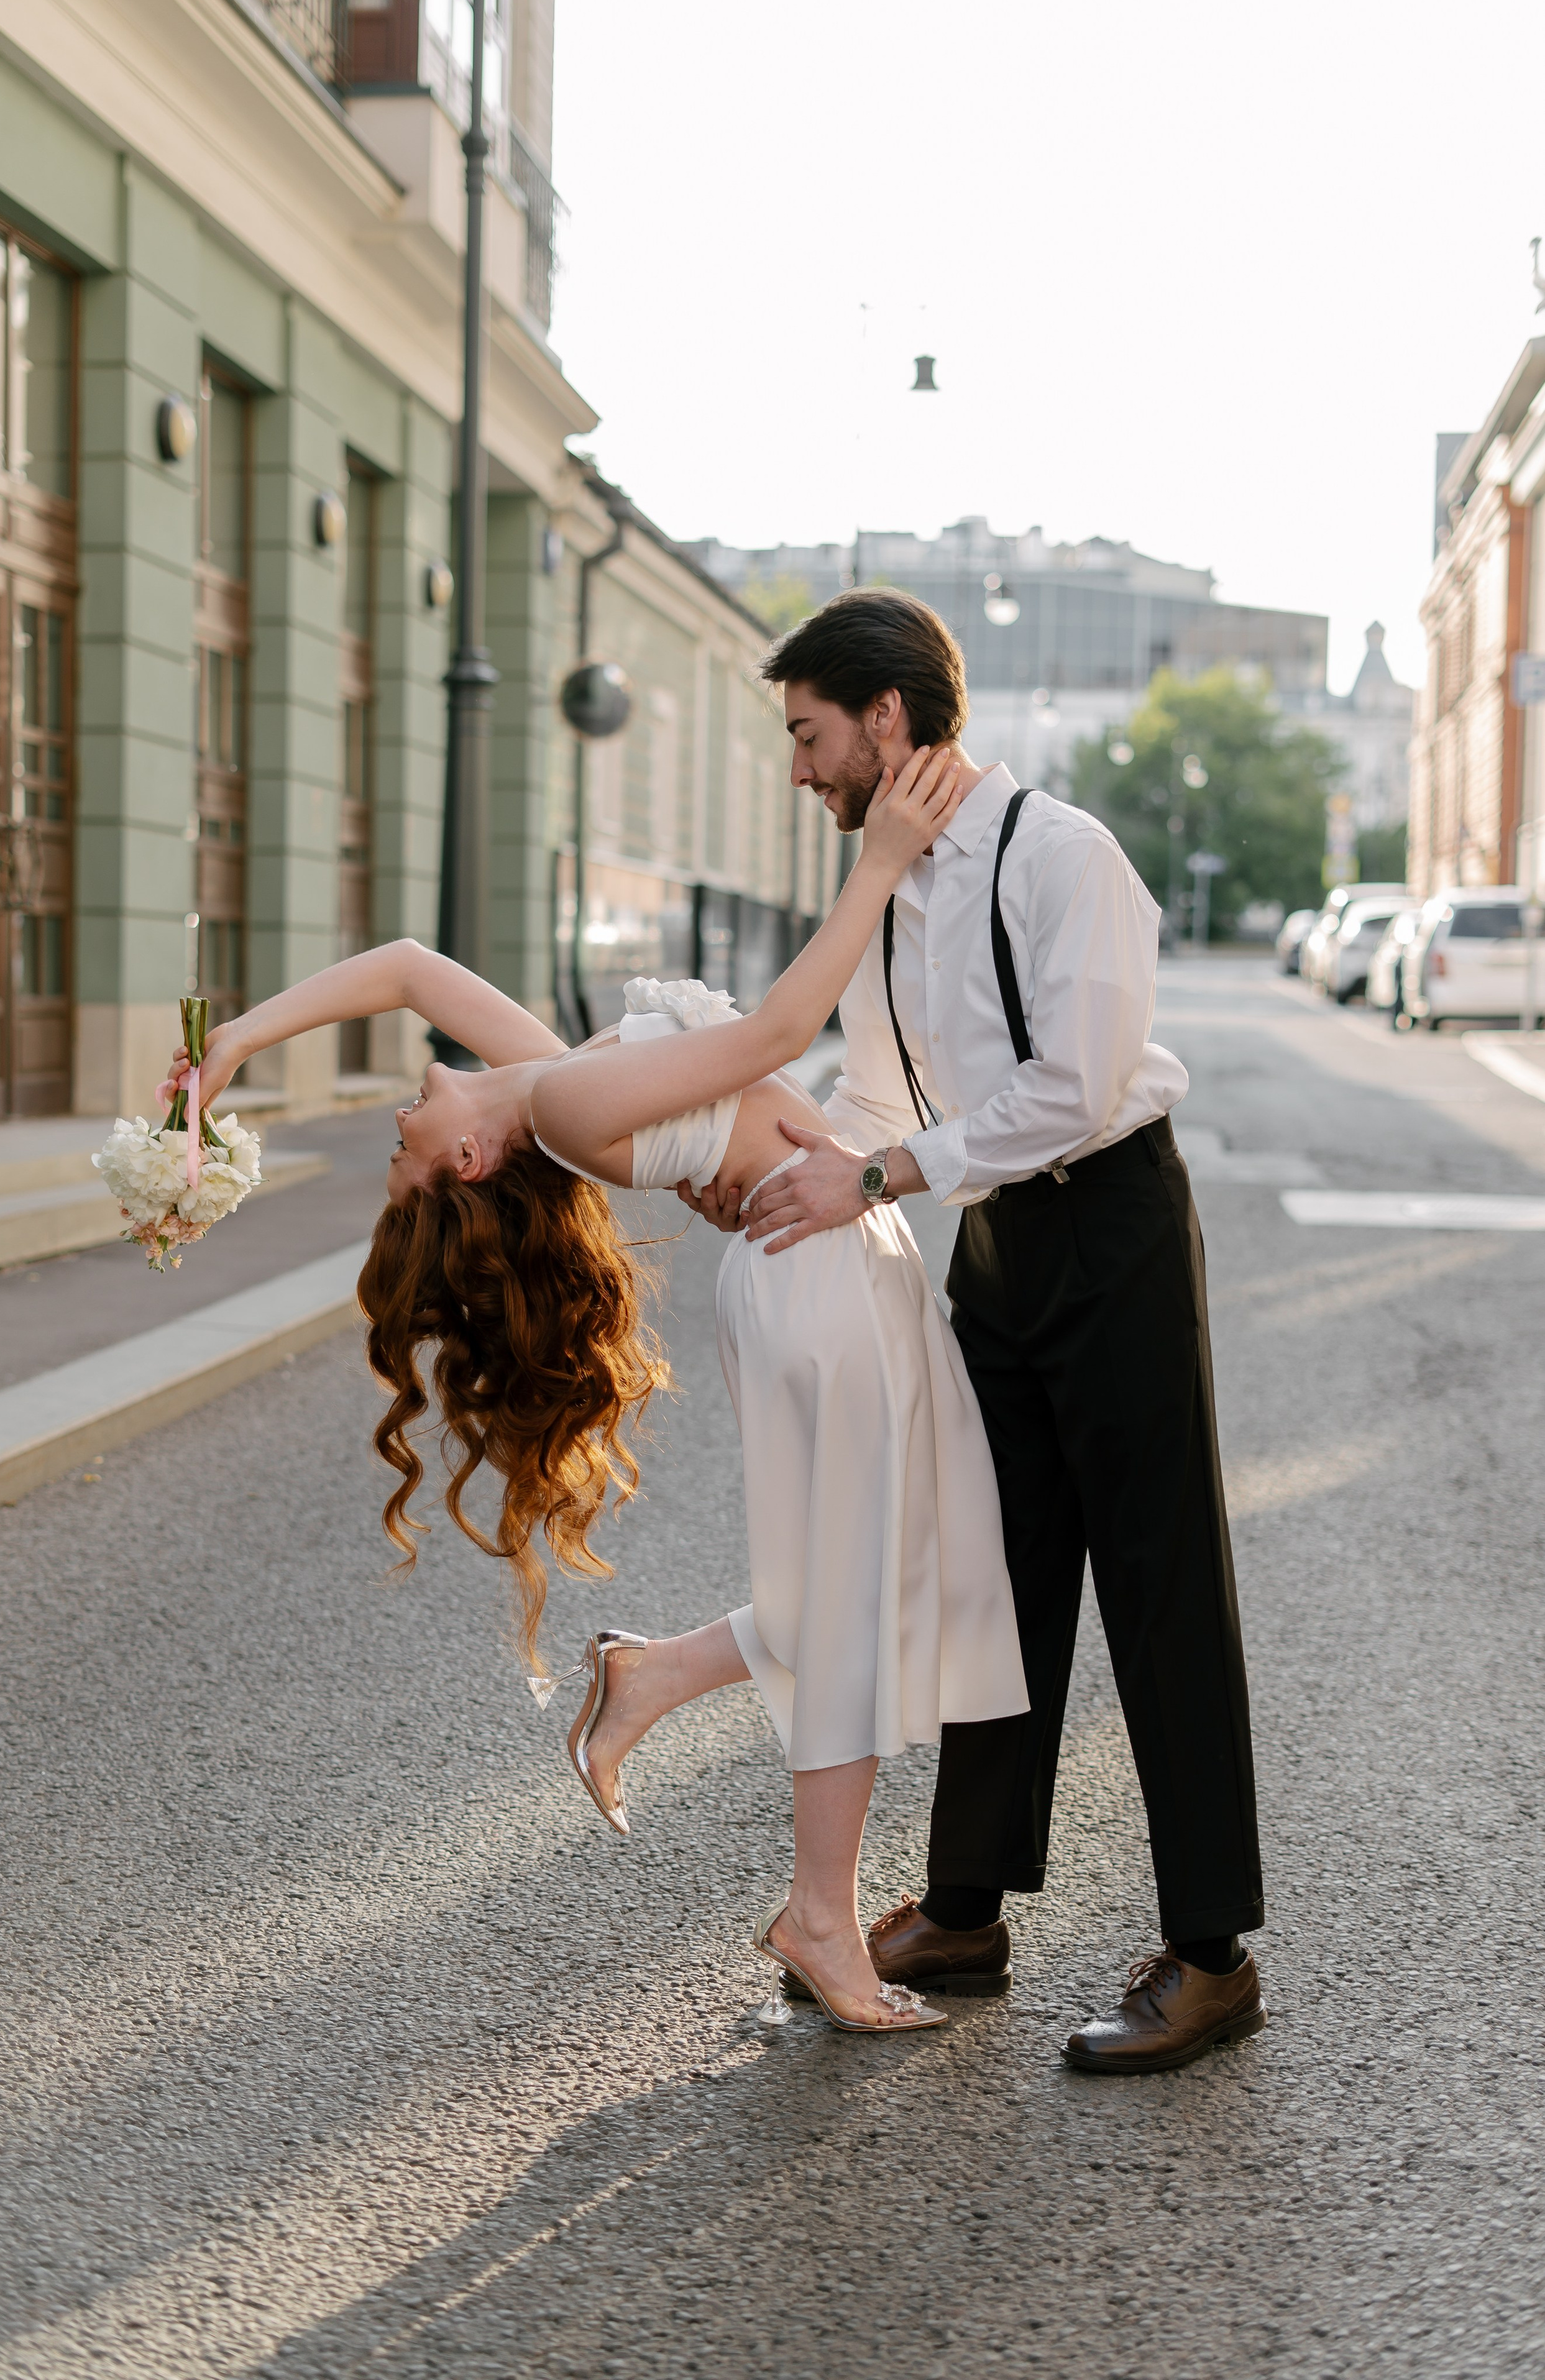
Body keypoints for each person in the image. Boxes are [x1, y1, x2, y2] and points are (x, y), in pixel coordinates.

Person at [161, 744, 1027, 2036]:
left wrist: (239, 1035)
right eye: (403, 1158)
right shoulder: (565, 1100)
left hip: (838, 1251)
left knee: (907, 1581)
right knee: (854, 1607)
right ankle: (818, 1920)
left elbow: (404, 965)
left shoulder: (533, 1077)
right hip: (812, 1281)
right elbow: (778, 1032)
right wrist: (880, 862)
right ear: (464, 1161)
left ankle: (655, 1679)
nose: (394, 1128)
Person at [681, 587, 1267, 2075]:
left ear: (888, 719)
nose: (802, 770)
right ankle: (963, 1913)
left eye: (811, 737)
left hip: (1114, 1226)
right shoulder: (889, 890)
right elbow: (884, 1102)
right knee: (984, 1586)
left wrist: (872, 1175)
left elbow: (1073, 1087)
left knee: (1157, 1580)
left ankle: (1208, 1957)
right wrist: (770, 1165)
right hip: (995, 1245)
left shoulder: (1063, 857)